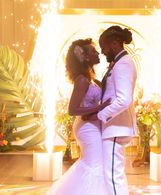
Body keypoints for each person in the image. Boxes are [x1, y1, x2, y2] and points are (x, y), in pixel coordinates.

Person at [46, 38, 110, 195]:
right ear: (85, 57)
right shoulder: (82, 80)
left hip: (91, 125)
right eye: (93, 51)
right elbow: (72, 109)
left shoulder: (91, 78)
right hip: (87, 128)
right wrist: (99, 107)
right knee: (94, 165)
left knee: (92, 163)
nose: (97, 53)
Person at [87, 26, 137, 195]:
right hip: (115, 127)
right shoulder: (120, 63)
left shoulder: (123, 64)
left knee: (113, 176)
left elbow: (124, 99)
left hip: (116, 127)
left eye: (104, 47)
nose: (102, 51)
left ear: (115, 43)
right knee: (114, 174)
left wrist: (101, 115)